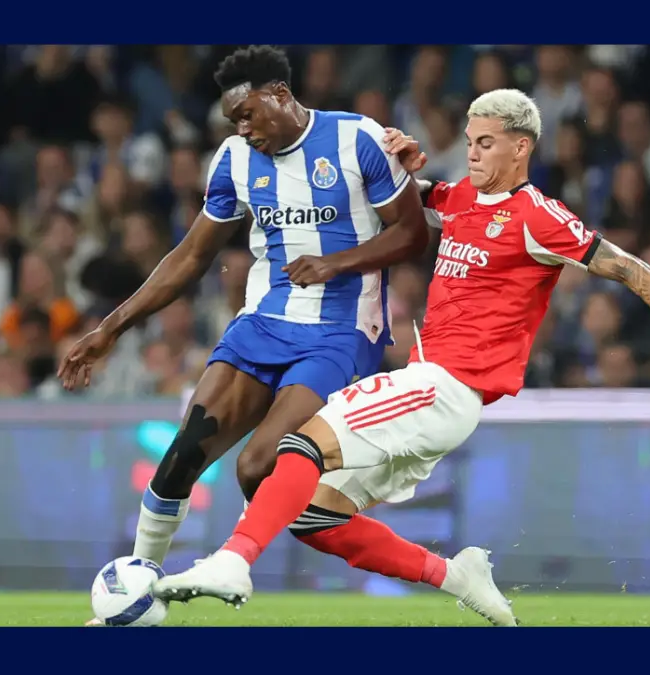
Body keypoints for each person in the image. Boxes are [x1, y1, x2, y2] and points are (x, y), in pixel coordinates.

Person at [153, 89, 650, 626]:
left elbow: (627, 267)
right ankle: (455, 576)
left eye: (486, 143)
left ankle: (233, 562)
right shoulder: (462, 197)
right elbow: (400, 198)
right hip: (430, 387)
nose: (472, 153)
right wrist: (397, 162)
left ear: (520, 149)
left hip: (447, 385)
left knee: (300, 446)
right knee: (314, 515)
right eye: (469, 141)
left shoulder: (536, 216)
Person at [56, 46, 429, 584]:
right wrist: (109, 328)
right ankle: (139, 587)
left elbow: (412, 232)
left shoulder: (358, 139)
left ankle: (418, 566)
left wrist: (334, 264)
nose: (243, 128)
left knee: (257, 467)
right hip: (260, 325)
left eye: (248, 113)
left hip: (339, 334)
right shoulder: (234, 158)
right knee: (181, 456)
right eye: (234, 120)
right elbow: (190, 256)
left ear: (280, 94)